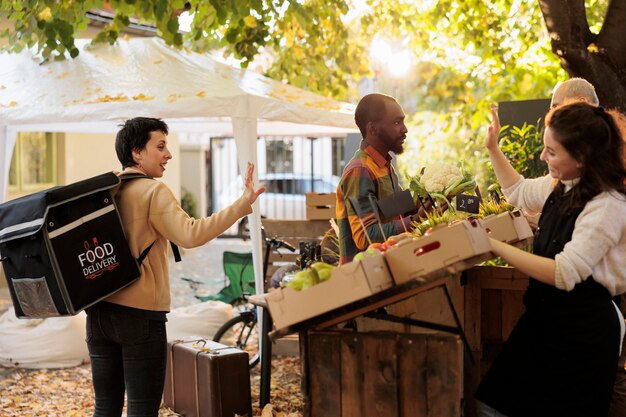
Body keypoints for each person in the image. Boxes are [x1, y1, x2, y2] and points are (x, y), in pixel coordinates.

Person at [85, 117, 265, 417]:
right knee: (142, 410)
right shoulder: (153, 192)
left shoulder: (105, 191)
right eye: (160, 146)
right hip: (140, 319)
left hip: (98, 315)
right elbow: (191, 233)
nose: (168, 154)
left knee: (105, 408)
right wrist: (242, 204)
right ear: (136, 153)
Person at [475, 102, 626, 417]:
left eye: (551, 152)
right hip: (545, 321)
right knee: (490, 403)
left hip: (584, 334)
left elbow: (564, 273)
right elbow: (518, 191)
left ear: (581, 158)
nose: (543, 157)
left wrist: (493, 245)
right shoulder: (563, 184)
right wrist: (493, 148)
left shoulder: (607, 205)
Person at [335, 93, 431, 264]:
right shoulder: (360, 170)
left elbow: (395, 211)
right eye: (396, 122)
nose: (404, 129)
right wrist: (416, 220)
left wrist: (428, 193)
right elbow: (365, 237)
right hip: (366, 278)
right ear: (372, 129)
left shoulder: (384, 166)